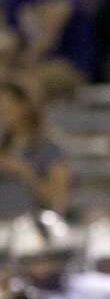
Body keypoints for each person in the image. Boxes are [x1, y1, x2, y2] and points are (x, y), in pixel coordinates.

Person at [0, 81, 70, 219]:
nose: (2, 113)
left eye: (6, 107)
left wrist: (24, 172)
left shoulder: (48, 149)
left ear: (24, 107)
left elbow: (58, 201)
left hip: (29, 226)